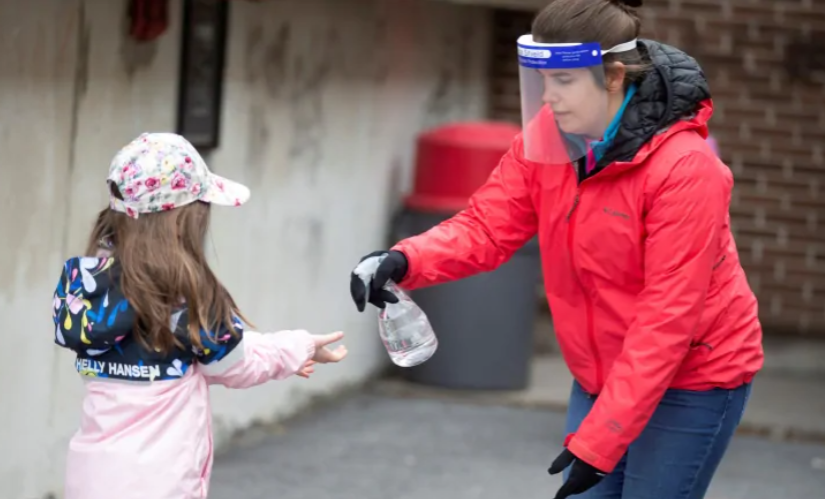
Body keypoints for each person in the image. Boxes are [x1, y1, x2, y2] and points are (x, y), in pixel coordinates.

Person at [349, 0, 763, 498]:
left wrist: (601, 440)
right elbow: (487, 225)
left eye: (563, 81)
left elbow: (667, 319)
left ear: (612, 76)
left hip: (693, 379)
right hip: (600, 372)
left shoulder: (685, 170)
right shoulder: (549, 137)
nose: (548, 97)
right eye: (540, 78)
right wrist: (404, 259)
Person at [53, 132, 348, 499]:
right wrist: (296, 347)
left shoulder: (87, 286)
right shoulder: (184, 295)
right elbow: (232, 364)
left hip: (90, 479)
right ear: (181, 222)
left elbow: (207, 345)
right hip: (160, 485)